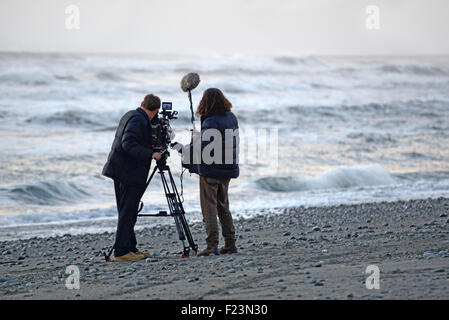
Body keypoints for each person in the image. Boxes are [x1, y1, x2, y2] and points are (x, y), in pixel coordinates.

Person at [102, 94, 162, 262]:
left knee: (129, 211)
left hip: (121, 170)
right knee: (127, 211)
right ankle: (121, 251)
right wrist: (152, 154)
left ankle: (130, 247)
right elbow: (128, 144)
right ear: (155, 110)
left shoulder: (131, 114)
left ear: (142, 103)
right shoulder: (138, 120)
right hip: (127, 172)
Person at [186, 88, 240, 256]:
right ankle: (230, 243)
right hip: (228, 167)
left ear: (205, 103)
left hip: (211, 170)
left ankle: (211, 245)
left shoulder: (210, 121)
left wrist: (194, 141)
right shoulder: (231, 117)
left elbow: (206, 149)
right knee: (223, 206)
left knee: (209, 206)